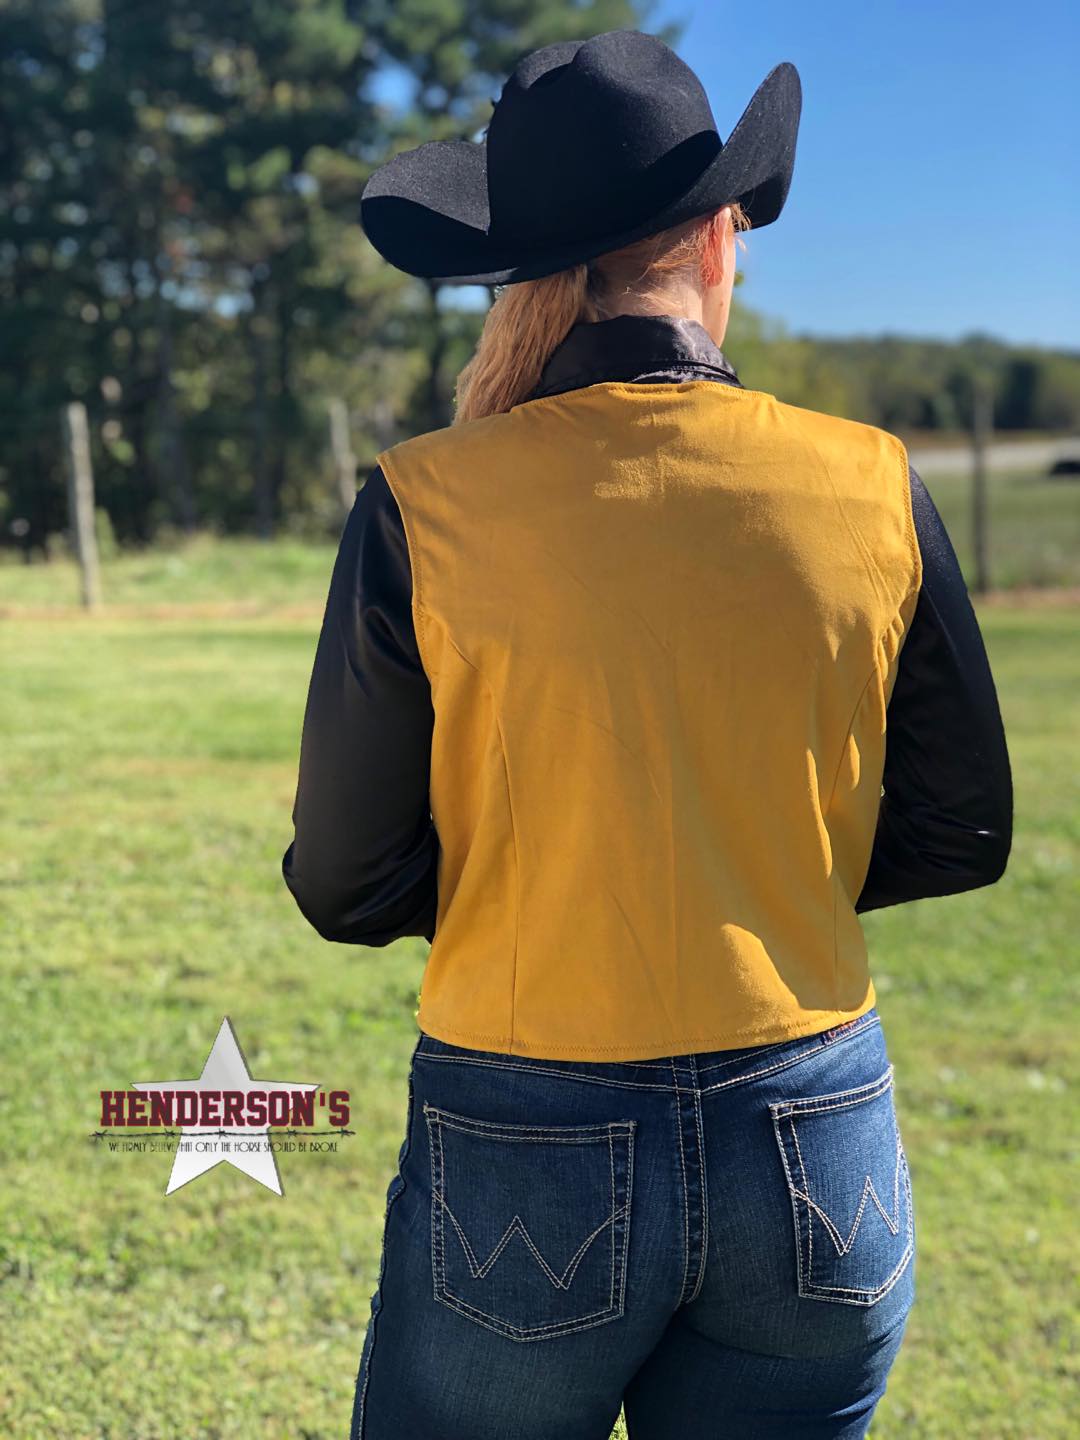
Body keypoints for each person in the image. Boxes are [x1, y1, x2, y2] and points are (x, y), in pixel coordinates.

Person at [281, 29, 1013, 1440]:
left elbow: (344, 882)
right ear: (718, 237)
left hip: (523, 1130)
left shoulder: (422, 503)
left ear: (518, 280)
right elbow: (962, 828)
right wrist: (756, 872)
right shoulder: (871, 484)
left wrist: (548, 876)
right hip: (817, 1134)